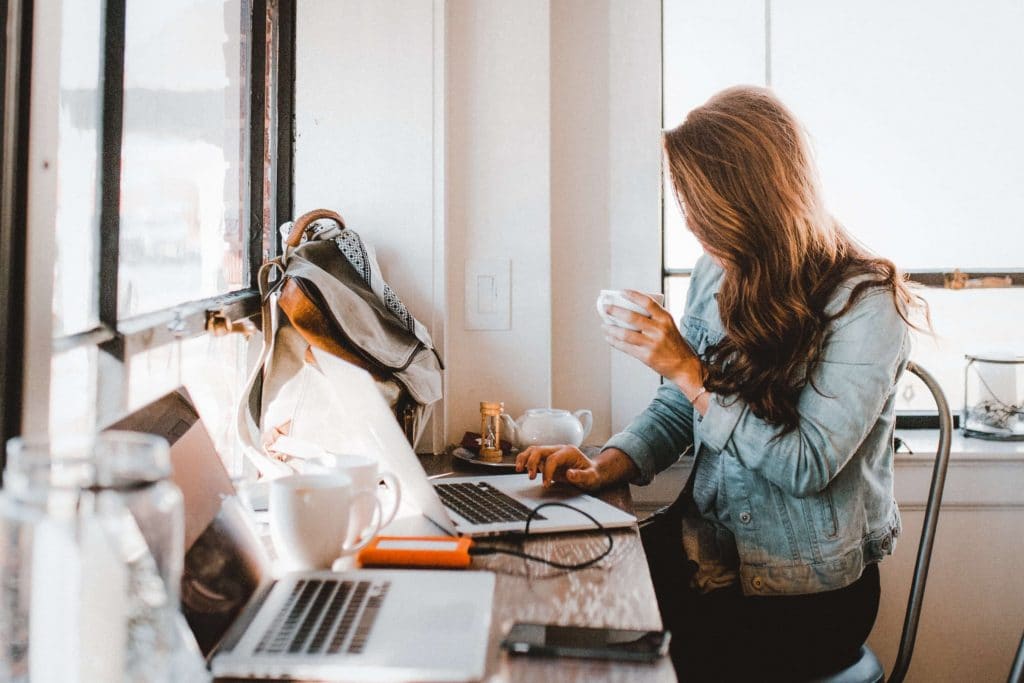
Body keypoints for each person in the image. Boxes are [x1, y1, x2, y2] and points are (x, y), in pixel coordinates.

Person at [515, 85, 924, 681]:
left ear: (755, 203)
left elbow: (806, 466)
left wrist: (687, 368)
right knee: (550, 588)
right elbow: (682, 406)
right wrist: (609, 462)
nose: (692, 226)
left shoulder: (866, 306)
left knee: (604, 654)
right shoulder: (718, 270)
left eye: (702, 210)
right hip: (703, 555)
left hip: (803, 598)